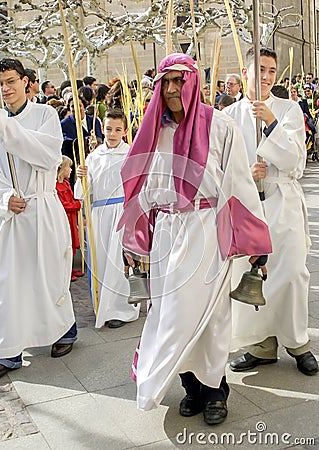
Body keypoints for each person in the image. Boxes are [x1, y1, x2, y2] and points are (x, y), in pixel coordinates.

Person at [117, 53, 272, 425]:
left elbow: (239, 186)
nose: (172, 89)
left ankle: (215, 390)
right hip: (166, 235)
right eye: (165, 82)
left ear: (193, 83)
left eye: (179, 81)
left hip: (207, 229)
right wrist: (134, 241)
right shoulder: (153, 130)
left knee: (213, 317)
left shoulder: (220, 127)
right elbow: (140, 190)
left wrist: (255, 243)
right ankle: (190, 387)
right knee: (170, 314)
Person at [225, 47, 318, 376]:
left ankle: (298, 343)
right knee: (249, 277)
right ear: (246, 71)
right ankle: (261, 345)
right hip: (248, 205)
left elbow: (296, 160)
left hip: (282, 198)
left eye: (271, 70)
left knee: (292, 272)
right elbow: (219, 166)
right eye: (260, 69)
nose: (265, 76)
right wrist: (244, 176)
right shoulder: (228, 116)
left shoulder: (289, 109)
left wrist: (271, 121)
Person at [0, 58, 77, 379]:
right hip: (10, 213)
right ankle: (8, 349)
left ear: (26, 81)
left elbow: (48, 157)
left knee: (48, 272)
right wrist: (2, 198)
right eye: (0, 84)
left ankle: (63, 330)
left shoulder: (45, 115)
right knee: (7, 281)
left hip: (41, 206)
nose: (7, 89)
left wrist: (9, 130)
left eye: (12, 81)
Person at [76, 109, 140, 329]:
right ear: (102, 129)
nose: (112, 134)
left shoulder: (130, 154)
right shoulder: (94, 157)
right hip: (99, 214)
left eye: (117, 130)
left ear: (124, 131)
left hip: (121, 212)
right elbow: (83, 192)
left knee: (117, 262)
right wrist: (82, 178)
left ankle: (121, 308)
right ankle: (103, 304)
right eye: (108, 129)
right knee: (101, 261)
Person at [61, 95, 103, 189]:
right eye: (72, 106)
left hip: (95, 161)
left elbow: (101, 138)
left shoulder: (94, 121)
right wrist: (86, 141)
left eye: (79, 105)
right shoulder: (64, 124)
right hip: (78, 164)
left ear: (84, 107)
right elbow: (66, 142)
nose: (76, 108)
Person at [56, 156, 84, 282]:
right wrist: (77, 205)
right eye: (69, 167)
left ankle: (71, 268)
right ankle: (65, 271)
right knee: (66, 243)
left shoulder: (66, 184)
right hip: (65, 218)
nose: (71, 170)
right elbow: (63, 204)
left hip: (71, 218)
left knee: (72, 242)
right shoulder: (56, 186)